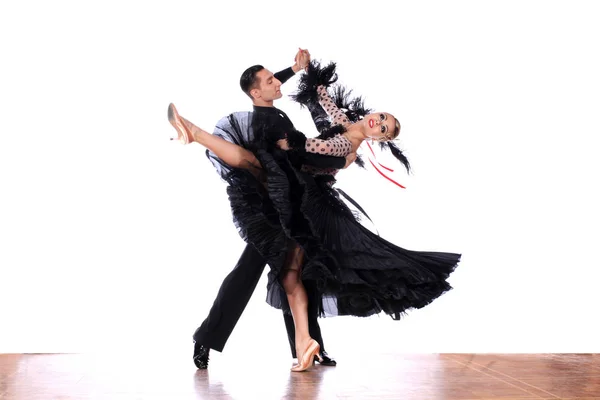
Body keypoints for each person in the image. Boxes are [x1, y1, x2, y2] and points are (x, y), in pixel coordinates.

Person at [169, 58, 461, 372]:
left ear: (381, 139)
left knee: (296, 274)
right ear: (375, 113)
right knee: (262, 272)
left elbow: (314, 149)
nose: (379, 122)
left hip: (299, 200)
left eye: (385, 128)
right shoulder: (339, 122)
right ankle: (224, 338)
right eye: (383, 117)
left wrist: (296, 142)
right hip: (275, 195)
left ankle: (305, 346)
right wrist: (303, 71)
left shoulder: (346, 146)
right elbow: (318, 98)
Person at [169, 50, 347, 370]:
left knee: (286, 274)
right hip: (270, 209)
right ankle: (209, 338)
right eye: (270, 81)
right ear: (256, 93)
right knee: (266, 275)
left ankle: (306, 347)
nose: (276, 83)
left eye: (274, 77)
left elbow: (269, 83)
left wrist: (294, 68)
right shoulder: (266, 123)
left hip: (285, 204)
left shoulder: (267, 110)